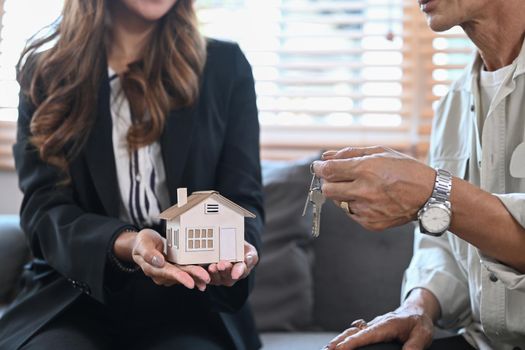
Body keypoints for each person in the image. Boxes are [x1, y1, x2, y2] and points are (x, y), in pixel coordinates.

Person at [0, 0, 264, 349]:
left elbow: (242, 198)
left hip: (191, 299)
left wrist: (233, 256)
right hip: (75, 291)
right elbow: (44, 211)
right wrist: (128, 243)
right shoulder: (46, 72)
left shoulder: (225, 67)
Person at [313, 0, 525, 349]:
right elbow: (441, 242)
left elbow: (440, 204)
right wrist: (417, 307)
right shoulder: (452, 104)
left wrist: (433, 191)